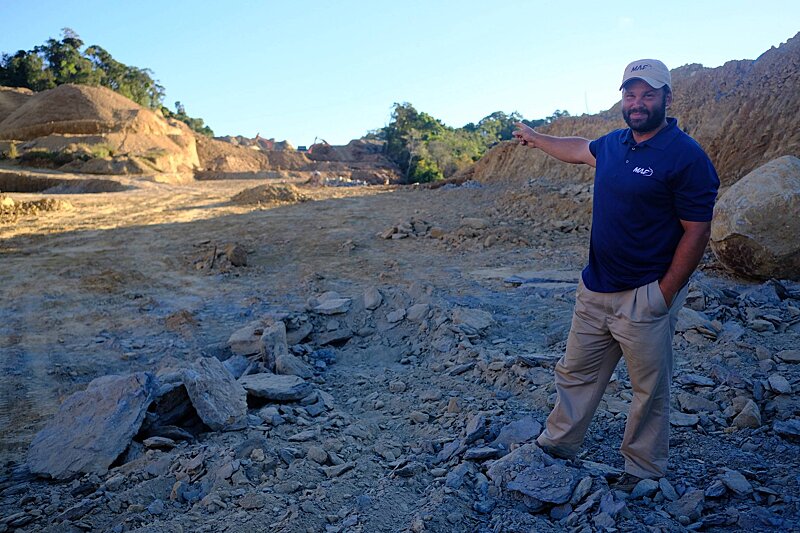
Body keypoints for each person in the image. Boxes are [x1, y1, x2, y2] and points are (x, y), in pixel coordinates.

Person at [512, 59, 719, 490]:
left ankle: (642, 470)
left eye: (648, 94)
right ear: (622, 98)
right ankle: (559, 444)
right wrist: (535, 137)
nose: (638, 103)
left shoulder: (686, 156)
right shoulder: (614, 144)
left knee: (649, 390)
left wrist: (664, 294)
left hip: (644, 294)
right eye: (630, 94)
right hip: (595, 289)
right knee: (575, 374)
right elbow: (577, 148)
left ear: (667, 97)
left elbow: (697, 231)